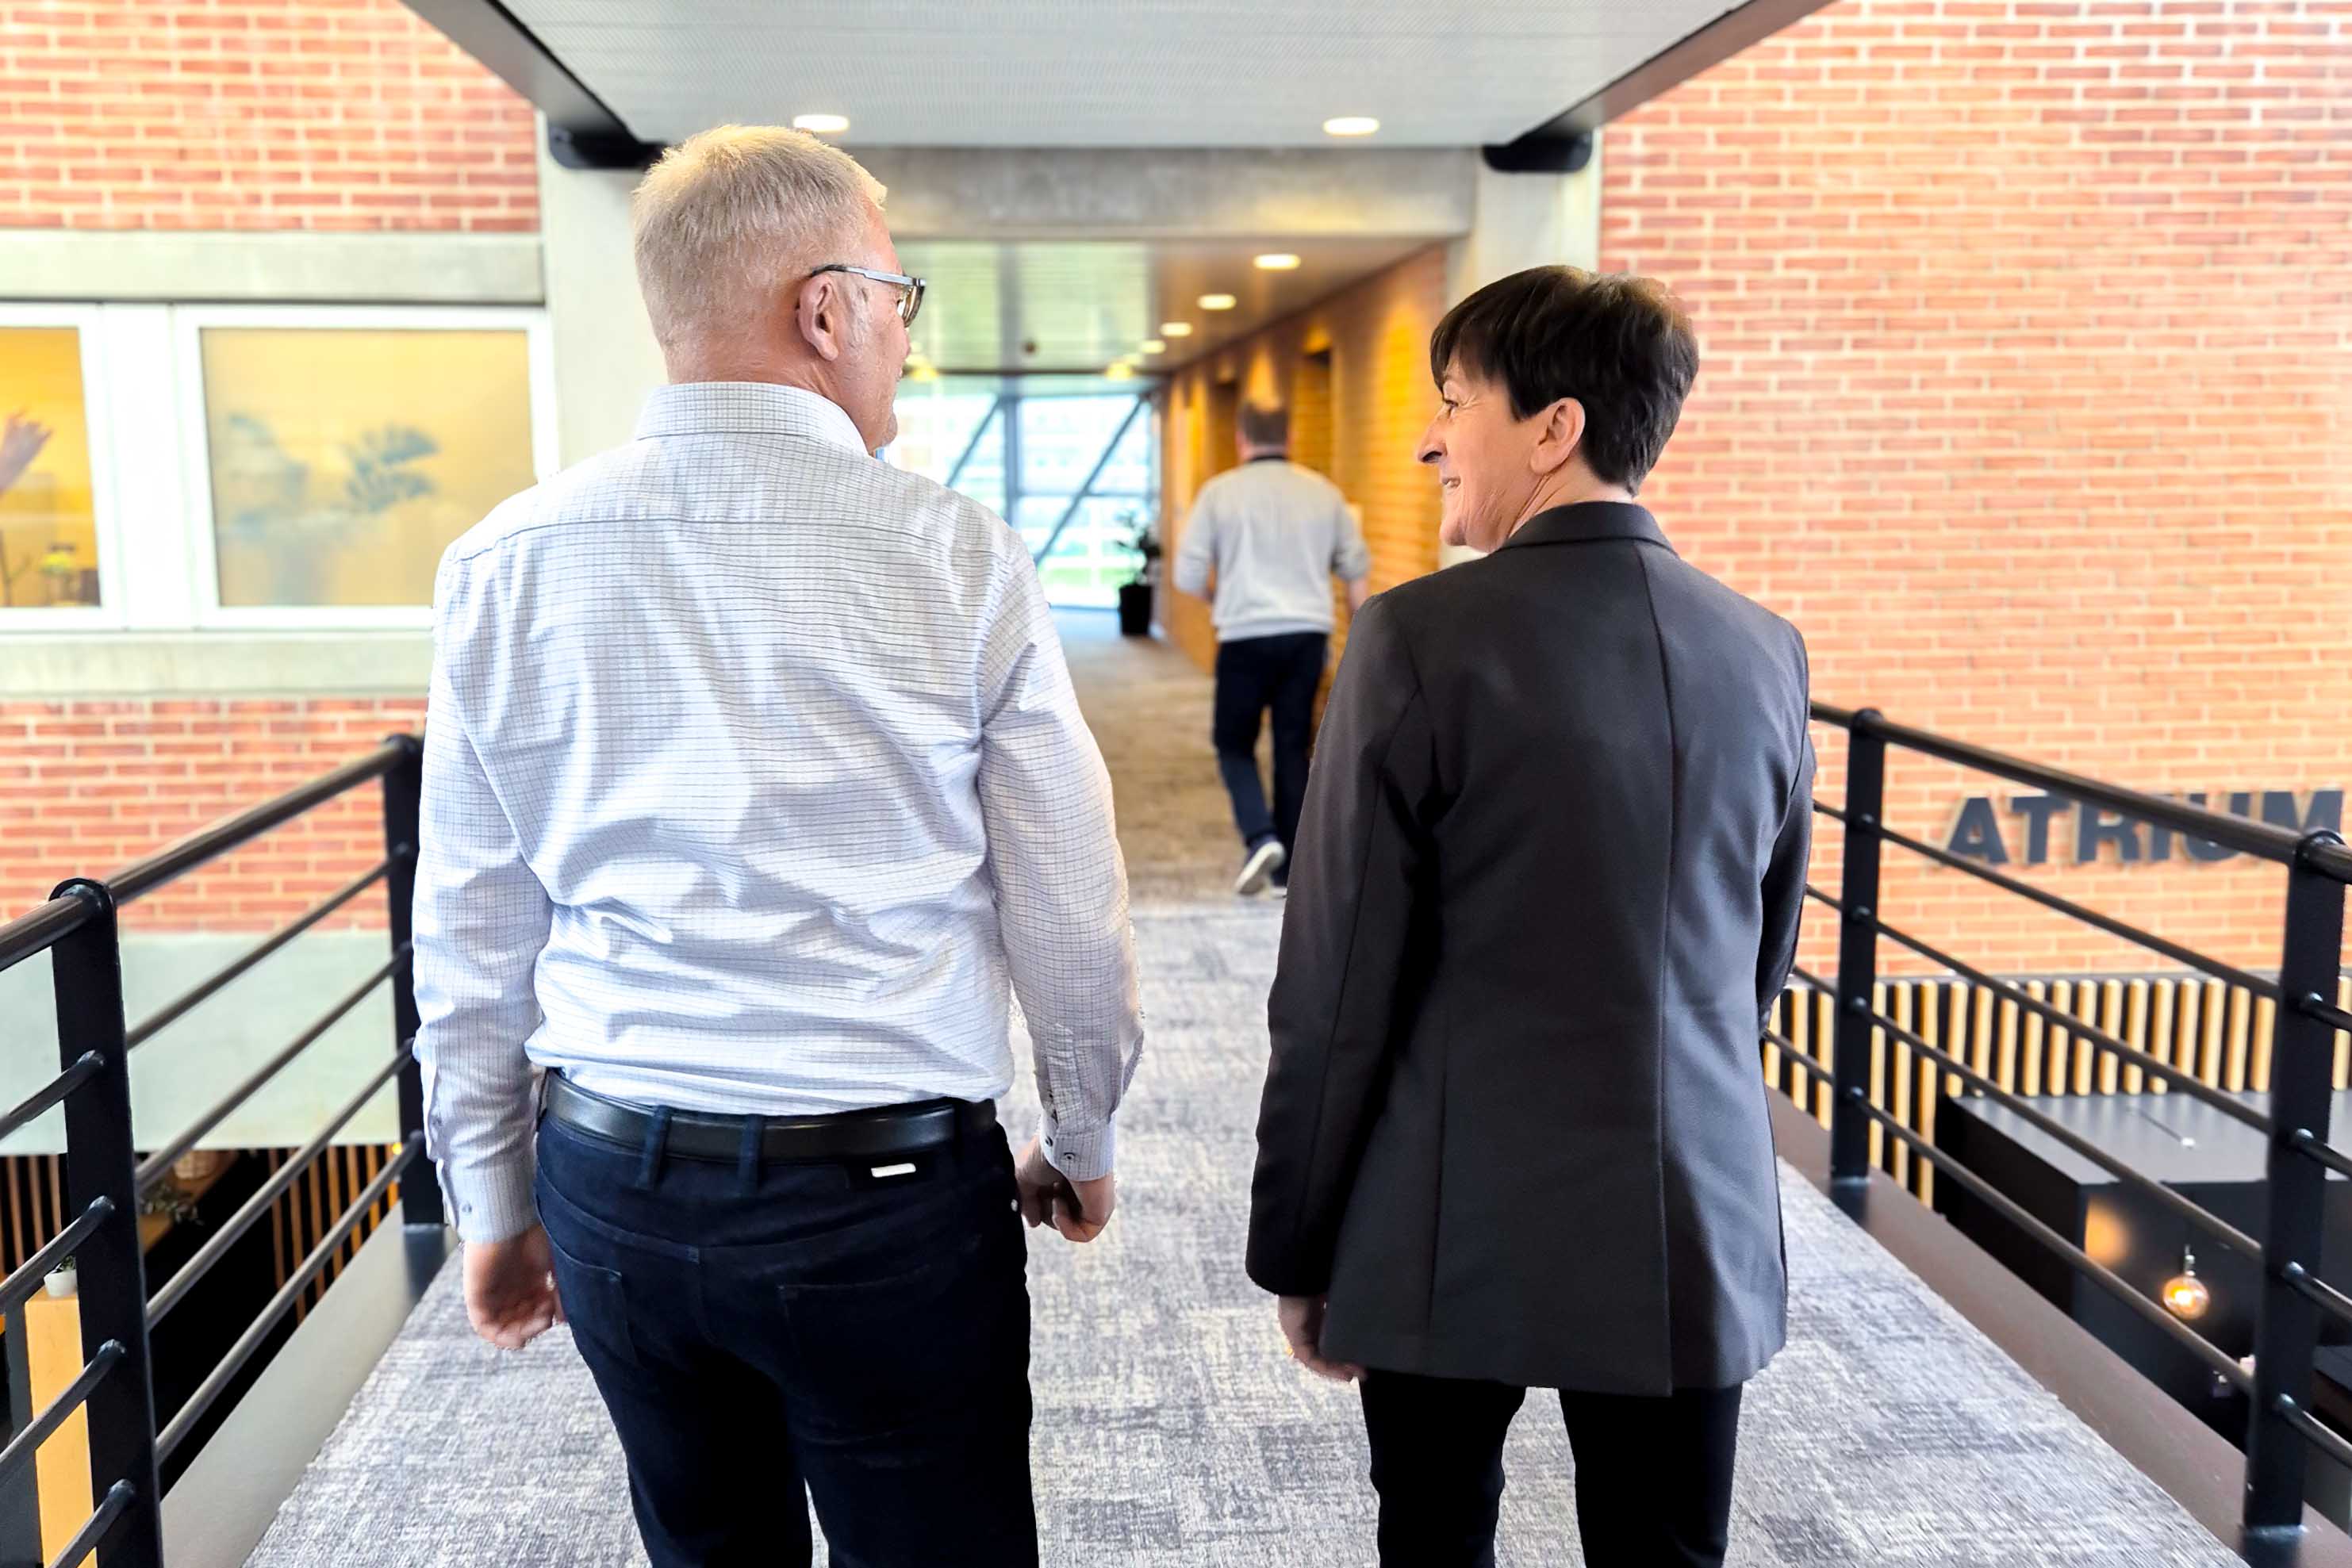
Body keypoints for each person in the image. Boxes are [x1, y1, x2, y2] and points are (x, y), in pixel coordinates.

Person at [411, 125, 1144, 1568]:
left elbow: (474, 926)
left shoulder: (503, 560)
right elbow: (1066, 902)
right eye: (898, 299)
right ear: (825, 311)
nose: (903, 339)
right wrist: (1082, 1135)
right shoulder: (959, 556)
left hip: (613, 1184)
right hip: (884, 1205)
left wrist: (489, 1199)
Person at [1247, 266, 1813, 1568]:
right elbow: (1760, 960)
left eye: (1455, 403)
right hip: (1688, 1213)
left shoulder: (1417, 640)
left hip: (1445, 1217)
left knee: (1437, 1539)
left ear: (1554, 428)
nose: (1431, 440)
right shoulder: (1765, 648)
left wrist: (1300, 1247)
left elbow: (1336, 987)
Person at [1172, 401, 1371, 897]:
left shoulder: (1219, 493)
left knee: (1233, 743)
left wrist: (1222, 599)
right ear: (1290, 436)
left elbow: (1187, 574)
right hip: (1307, 635)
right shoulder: (1324, 493)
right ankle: (1288, 872)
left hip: (1243, 635)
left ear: (1241, 439)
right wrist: (1364, 641)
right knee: (1291, 744)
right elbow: (1355, 573)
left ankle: (1260, 836)